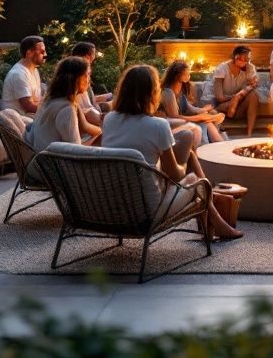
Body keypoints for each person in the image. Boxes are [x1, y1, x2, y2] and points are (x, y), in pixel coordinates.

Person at [102, 65, 242, 240]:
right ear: (152, 93)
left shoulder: (109, 120)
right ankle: (214, 211)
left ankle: (215, 214)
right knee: (195, 179)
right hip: (148, 210)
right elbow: (174, 175)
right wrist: (183, 163)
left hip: (112, 203)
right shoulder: (158, 126)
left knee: (188, 155)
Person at [27, 56, 98, 150]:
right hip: (55, 162)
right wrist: (98, 139)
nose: (89, 80)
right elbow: (75, 150)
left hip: (44, 157)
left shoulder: (49, 100)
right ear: (77, 79)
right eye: (87, 75)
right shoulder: (66, 108)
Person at [159, 60, 227, 144]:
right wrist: (199, 117)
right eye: (186, 73)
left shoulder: (180, 92)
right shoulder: (168, 92)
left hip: (182, 121)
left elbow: (190, 108)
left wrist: (205, 110)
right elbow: (174, 117)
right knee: (205, 121)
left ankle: (219, 142)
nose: (189, 75)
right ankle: (219, 143)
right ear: (178, 75)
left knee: (210, 114)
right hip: (173, 125)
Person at [212, 45, 260, 137]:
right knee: (227, 104)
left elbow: (253, 85)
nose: (247, 62)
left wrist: (239, 96)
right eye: (245, 59)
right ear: (236, 58)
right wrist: (235, 98)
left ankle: (249, 134)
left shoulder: (249, 68)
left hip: (240, 104)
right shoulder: (222, 69)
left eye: (248, 59)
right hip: (224, 105)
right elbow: (220, 97)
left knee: (253, 95)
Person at [1, 35, 46, 117]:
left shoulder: (34, 70)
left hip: (30, 117)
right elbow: (29, 106)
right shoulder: (19, 74)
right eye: (42, 52)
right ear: (29, 53)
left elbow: (37, 100)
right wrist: (51, 111)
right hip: (20, 121)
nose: (45, 55)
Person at [70, 41, 112, 115]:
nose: (88, 79)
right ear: (87, 56)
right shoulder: (79, 76)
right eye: (94, 53)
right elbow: (87, 108)